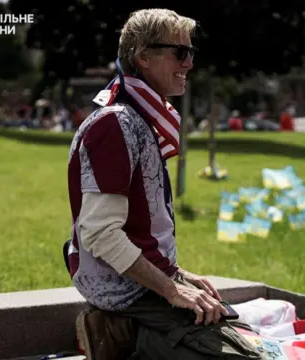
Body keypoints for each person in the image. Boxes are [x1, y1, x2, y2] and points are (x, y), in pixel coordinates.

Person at [66, 9, 263, 360]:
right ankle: (114, 333)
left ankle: (130, 332)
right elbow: (99, 233)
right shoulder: (116, 125)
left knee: (242, 333)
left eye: (191, 54)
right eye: (181, 53)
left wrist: (178, 275)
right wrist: (173, 290)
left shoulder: (137, 118)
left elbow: (141, 226)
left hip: (142, 283)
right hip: (123, 289)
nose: (189, 64)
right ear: (144, 57)